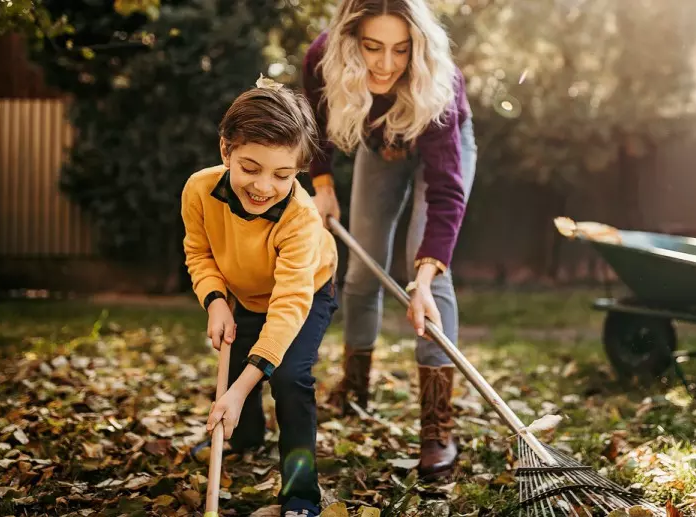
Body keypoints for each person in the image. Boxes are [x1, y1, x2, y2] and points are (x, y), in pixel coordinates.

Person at [302, 0, 477, 479]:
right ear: (350, 42)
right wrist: (321, 184)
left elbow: (445, 194)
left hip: (441, 142)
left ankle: (437, 429)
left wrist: (421, 278)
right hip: (380, 144)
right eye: (373, 47)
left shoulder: (439, 82)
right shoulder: (322, 58)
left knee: (432, 285)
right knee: (360, 272)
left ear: (416, 48)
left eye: (401, 50)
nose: (386, 63)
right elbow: (315, 125)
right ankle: (354, 388)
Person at [181, 76, 339, 517]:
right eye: (250, 168)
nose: (264, 186)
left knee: (287, 377)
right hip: (241, 291)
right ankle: (246, 437)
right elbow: (199, 251)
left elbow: (289, 306)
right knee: (239, 360)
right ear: (225, 150)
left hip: (306, 291)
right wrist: (214, 300)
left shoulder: (301, 220)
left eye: (283, 174)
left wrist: (240, 387)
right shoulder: (198, 190)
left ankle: (300, 492)